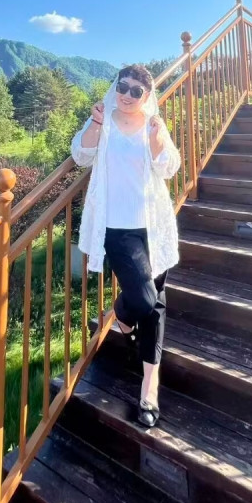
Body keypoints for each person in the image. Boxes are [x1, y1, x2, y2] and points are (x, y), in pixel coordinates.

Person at [70, 64, 180, 428]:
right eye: (123, 86)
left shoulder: (153, 124)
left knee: (155, 303)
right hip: (117, 228)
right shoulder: (103, 118)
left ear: (147, 96)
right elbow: (80, 155)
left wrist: (158, 142)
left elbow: (169, 167)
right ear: (115, 87)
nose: (127, 94)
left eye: (136, 91)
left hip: (153, 226)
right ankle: (121, 313)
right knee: (146, 301)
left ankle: (150, 386)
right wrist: (95, 123)